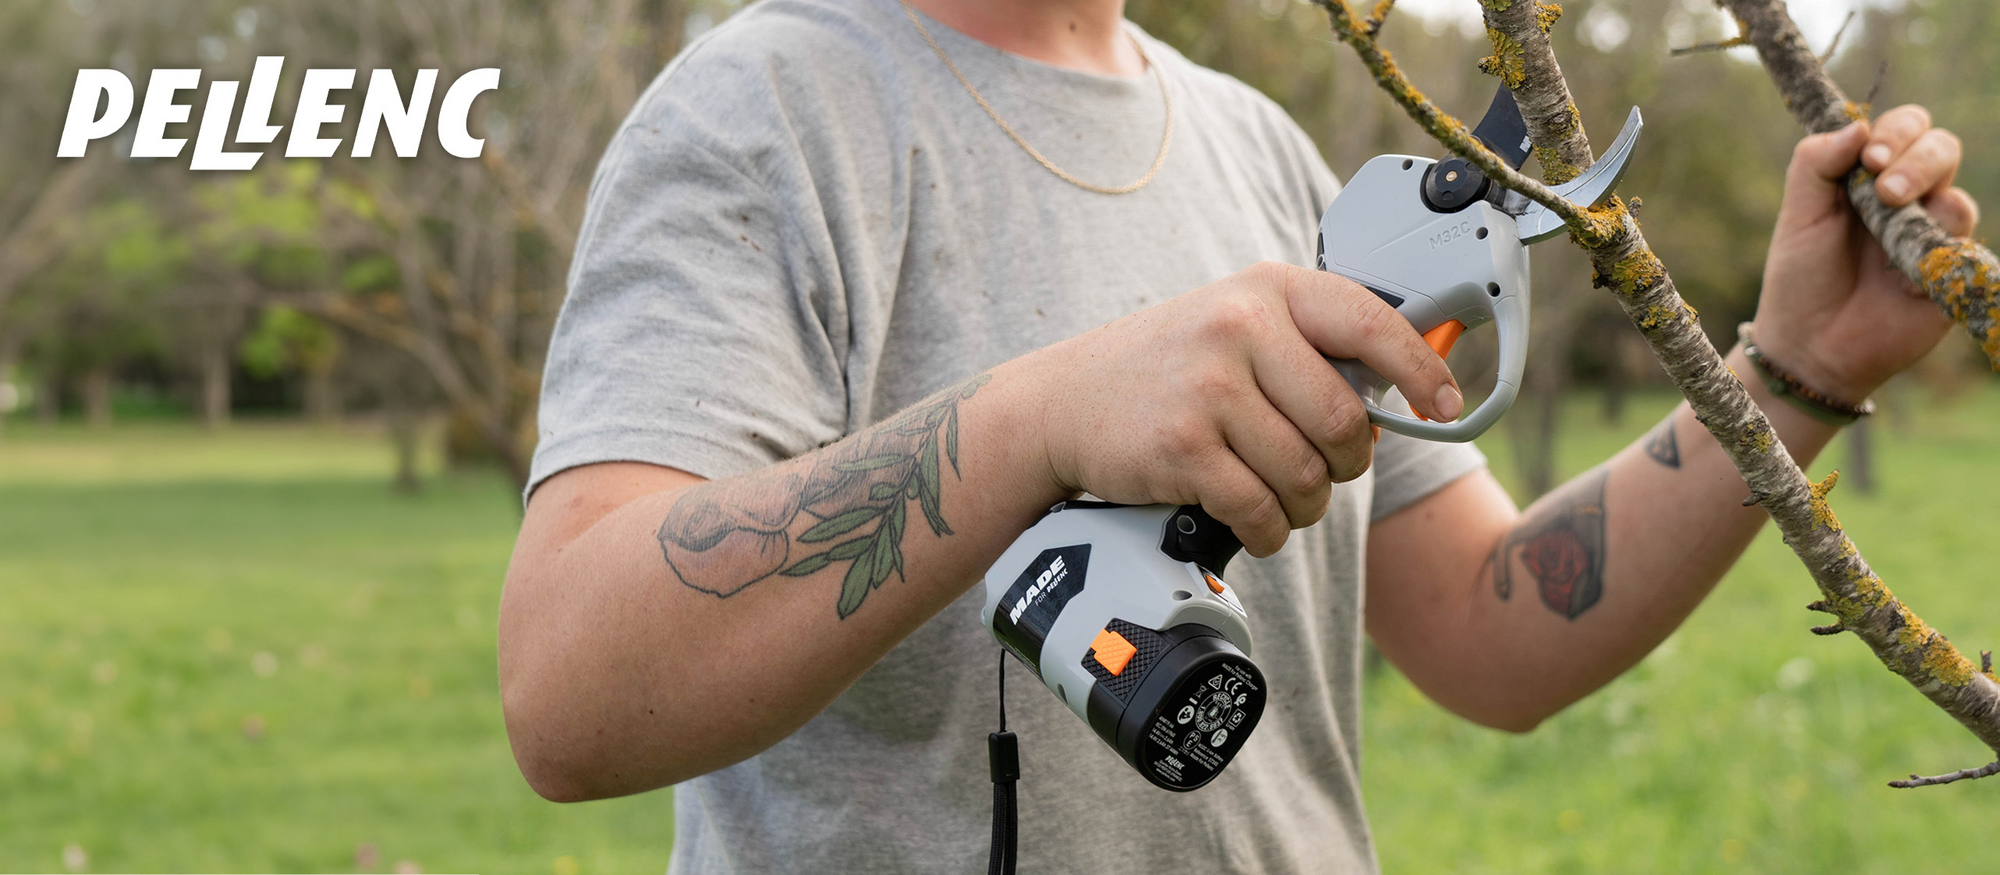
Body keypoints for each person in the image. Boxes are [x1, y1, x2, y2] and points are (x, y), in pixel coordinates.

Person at [496, 0, 1978, 870]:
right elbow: (568, 683)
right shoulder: (762, 113)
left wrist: (1794, 366)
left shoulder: (1252, 141)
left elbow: (1484, 625)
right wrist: (1037, 421)